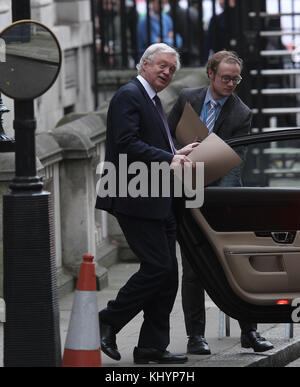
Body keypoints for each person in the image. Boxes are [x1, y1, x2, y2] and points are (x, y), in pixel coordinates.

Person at [95, 43, 198, 364]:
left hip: (159, 198)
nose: (167, 73)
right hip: (135, 196)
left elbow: (152, 142)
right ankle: (108, 320)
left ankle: (152, 347)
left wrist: (178, 152)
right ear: (144, 64)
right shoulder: (128, 95)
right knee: (157, 268)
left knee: (168, 276)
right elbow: (126, 144)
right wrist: (170, 157)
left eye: (171, 69)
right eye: (161, 66)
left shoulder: (152, 99)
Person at [168, 50, 274, 355]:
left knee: (236, 267)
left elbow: (234, 163)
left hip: (221, 196)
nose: (231, 83)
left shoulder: (241, 113)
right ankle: (195, 336)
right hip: (187, 191)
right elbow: (167, 139)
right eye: (226, 77)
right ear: (210, 74)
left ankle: (249, 332)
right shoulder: (187, 97)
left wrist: (221, 206)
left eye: (236, 78)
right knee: (192, 270)